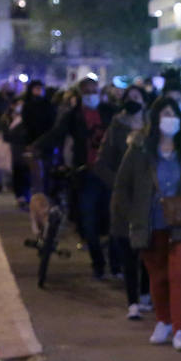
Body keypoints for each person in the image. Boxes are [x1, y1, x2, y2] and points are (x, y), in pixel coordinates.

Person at [111, 97, 181, 349]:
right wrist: (132, 216)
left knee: (179, 274)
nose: (169, 119)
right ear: (155, 118)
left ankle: (180, 329)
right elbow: (122, 186)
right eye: (164, 114)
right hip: (150, 224)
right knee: (158, 276)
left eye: (173, 114)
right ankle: (164, 321)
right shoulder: (139, 150)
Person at [31, 77, 116, 278]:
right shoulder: (73, 116)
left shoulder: (109, 112)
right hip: (85, 174)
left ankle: (116, 263)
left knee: (113, 222)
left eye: (93, 91)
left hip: (110, 175)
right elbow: (56, 134)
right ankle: (98, 262)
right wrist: (36, 146)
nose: (91, 95)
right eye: (86, 92)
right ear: (80, 94)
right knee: (88, 222)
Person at [96, 85, 152, 318]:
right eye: (130, 98)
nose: (134, 101)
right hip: (126, 197)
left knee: (149, 248)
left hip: (150, 198)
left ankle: (147, 294)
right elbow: (102, 163)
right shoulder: (116, 127)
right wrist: (119, 183)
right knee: (128, 246)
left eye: (137, 98)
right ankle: (133, 301)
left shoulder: (153, 127)